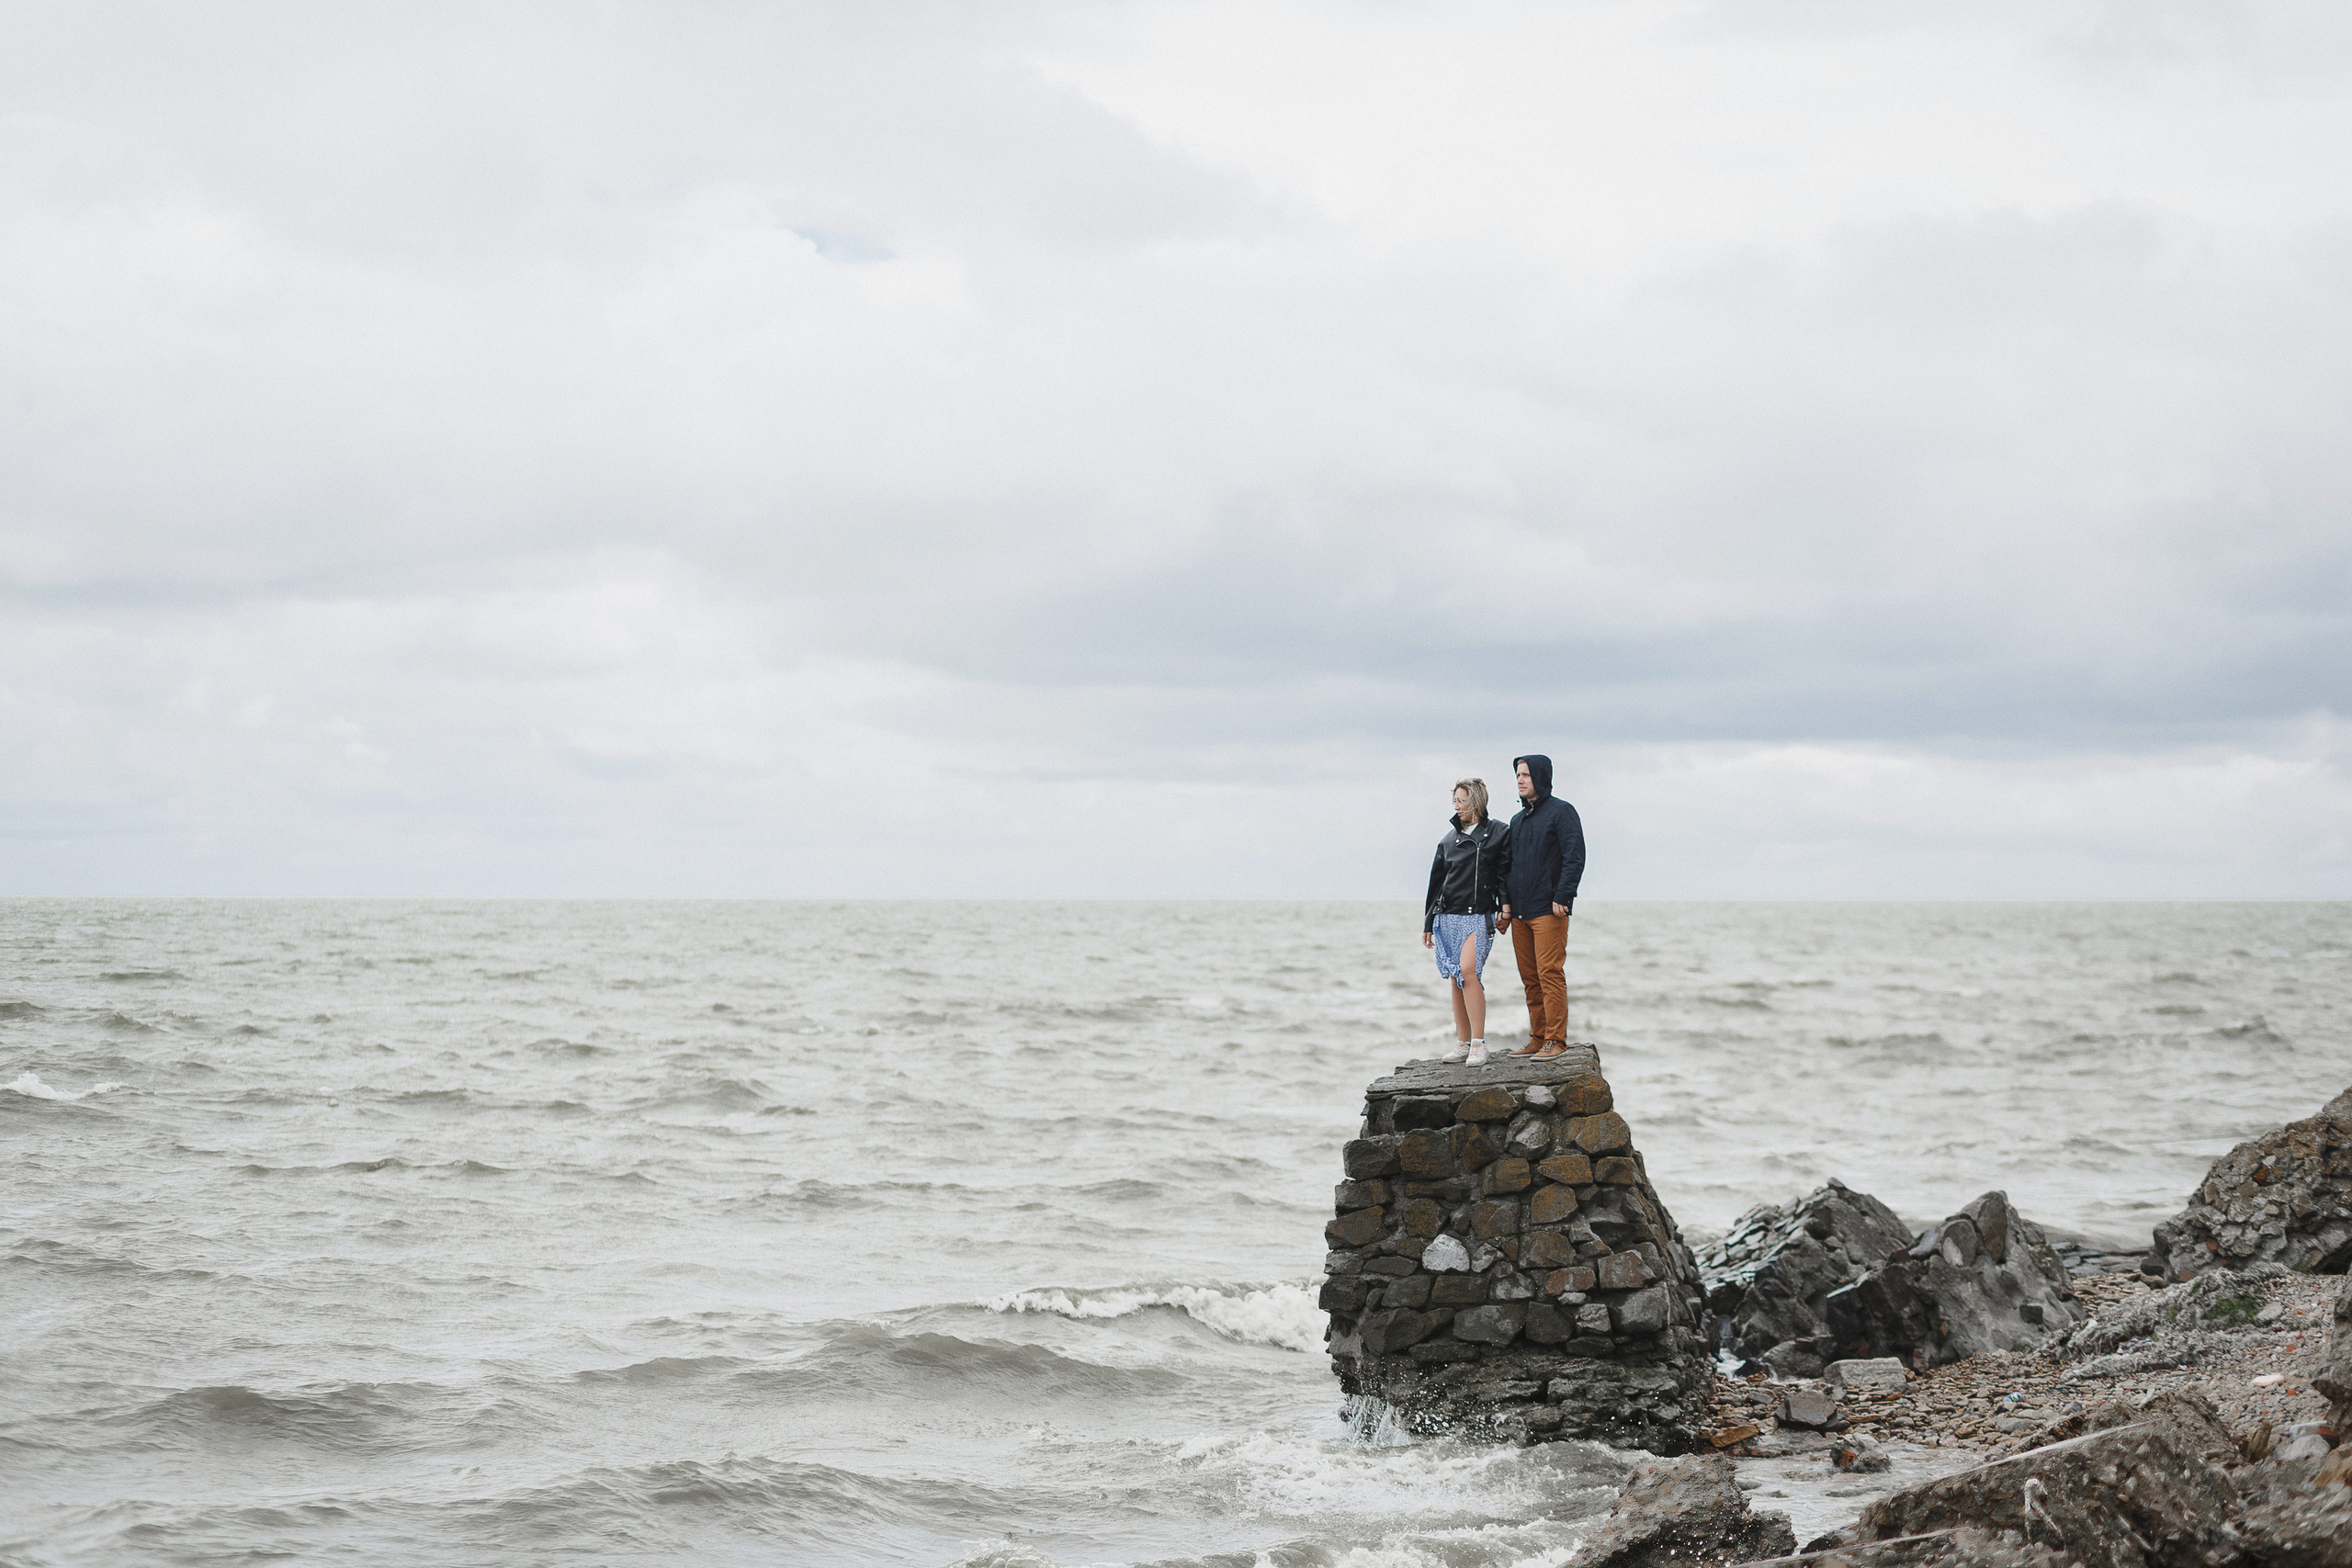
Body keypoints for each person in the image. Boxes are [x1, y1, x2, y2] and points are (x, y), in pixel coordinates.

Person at [1499, 753, 1585, 1061]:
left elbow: (1574, 856)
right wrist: (1505, 907)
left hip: (1549, 910)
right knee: (1530, 979)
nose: (1520, 780)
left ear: (1540, 777)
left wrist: (1564, 895)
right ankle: (1537, 1038)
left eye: (1525, 775)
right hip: (1520, 913)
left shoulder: (1562, 812)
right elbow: (1509, 866)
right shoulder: (1517, 821)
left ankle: (1556, 1040)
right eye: (1517, 775)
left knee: (1550, 973)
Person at [1422, 778, 1511, 1066]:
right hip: (1447, 916)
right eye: (1455, 801)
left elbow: (1502, 874)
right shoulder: (1448, 841)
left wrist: (1505, 907)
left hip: (1478, 916)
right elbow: (1436, 884)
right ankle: (1462, 1042)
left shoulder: (1498, 833)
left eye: (1461, 801)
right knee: (1455, 978)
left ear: (1476, 802)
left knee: (1468, 972)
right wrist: (1427, 922)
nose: (1456, 807)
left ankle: (1478, 1043)